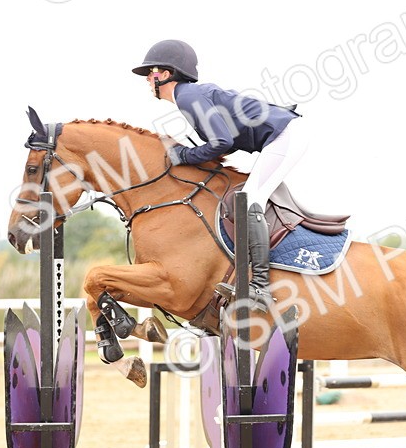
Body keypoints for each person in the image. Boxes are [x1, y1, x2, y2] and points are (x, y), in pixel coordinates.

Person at [132, 39, 308, 311]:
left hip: (284, 135)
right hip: (281, 135)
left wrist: (185, 156)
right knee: (248, 196)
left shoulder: (188, 96)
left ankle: (260, 286)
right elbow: (225, 140)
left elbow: (221, 142)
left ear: (165, 74)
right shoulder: (190, 96)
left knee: (250, 199)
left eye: (150, 74)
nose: (147, 80)